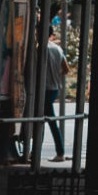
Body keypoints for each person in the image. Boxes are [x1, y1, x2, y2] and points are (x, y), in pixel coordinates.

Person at [40, 31, 68, 161]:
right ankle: (58, 151)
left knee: (44, 120)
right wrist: (56, 74)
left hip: (43, 88)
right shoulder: (57, 49)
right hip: (54, 88)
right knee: (47, 119)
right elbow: (66, 69)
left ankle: (60, 152)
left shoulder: (39, 48)